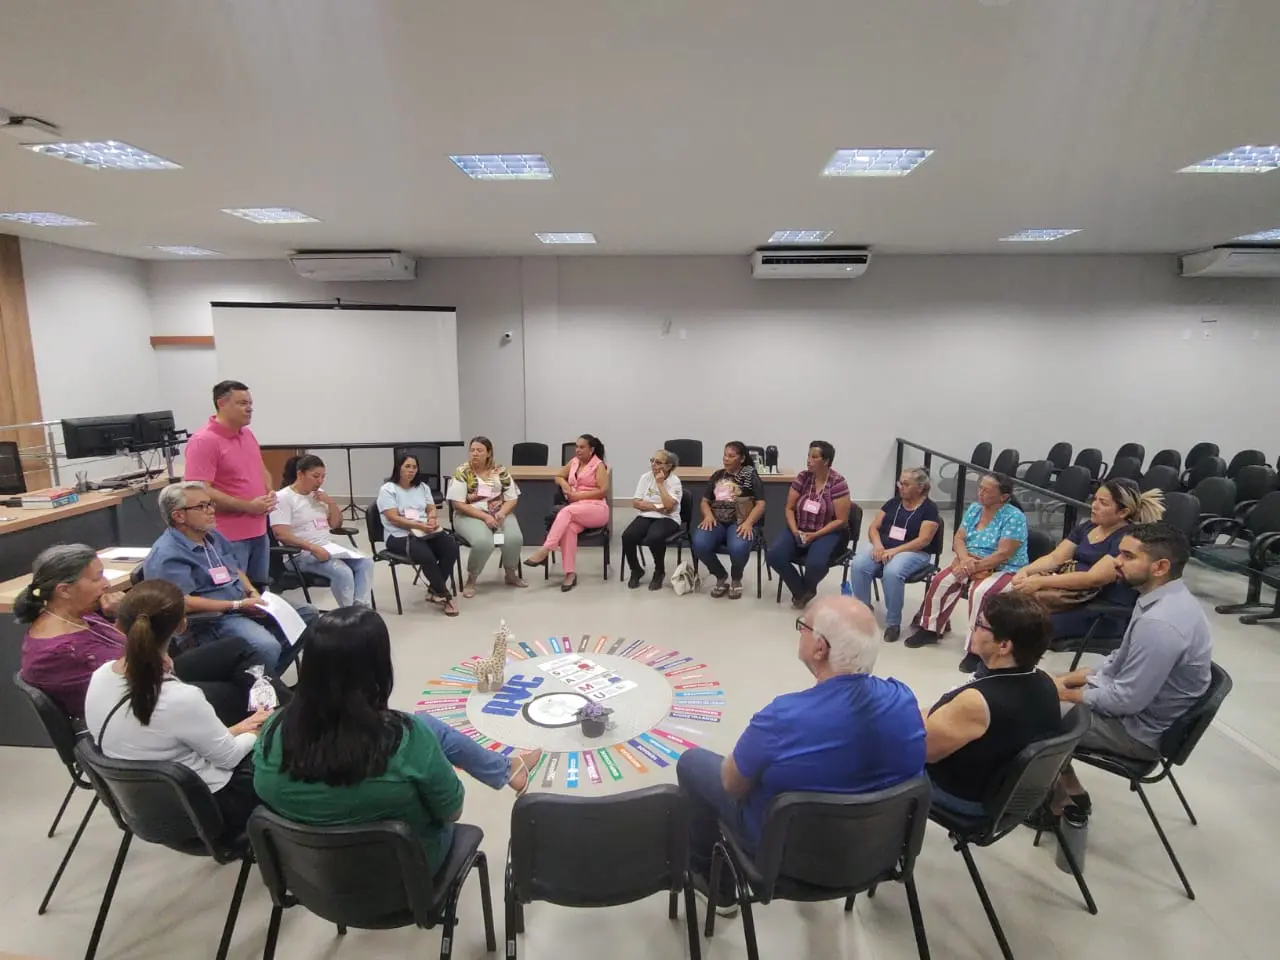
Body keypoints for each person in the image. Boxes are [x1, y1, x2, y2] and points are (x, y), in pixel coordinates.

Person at [676, 596, 925, 908]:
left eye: (803, 627)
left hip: (784, 861)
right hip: (877, 853)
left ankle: (715, 885)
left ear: (820, 648)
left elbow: (732, 786)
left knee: (692, 763)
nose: (799, 632)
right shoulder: (904, 699)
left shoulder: (782, 717)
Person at [253, 607, 542, 873]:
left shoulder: (270, 733)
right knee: (426, 728)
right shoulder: (408, 738)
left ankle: (508, 768)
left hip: (311, 875)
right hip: (405, 874)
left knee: (426, 726)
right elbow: (452, 811)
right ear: (377, 669)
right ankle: (507, 769)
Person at [84, 580, 271, 841]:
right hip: (210, 810)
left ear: (119, 625)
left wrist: (238, 729)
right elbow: (228, 759)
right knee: (281, 748)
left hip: (147, 808)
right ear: (182, 625)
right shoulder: (181, 697)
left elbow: (157, 738)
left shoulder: (100, 677)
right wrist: (262, 727)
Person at [1048, 523, 1212, 819]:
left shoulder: (1161, 624)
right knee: (1044, 687)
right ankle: (1070, 789)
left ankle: (1056, 804)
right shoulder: (1159, 598)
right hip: (1136, 712)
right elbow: (1117, 661)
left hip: (1137, 733)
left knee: (1030, 710)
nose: (1116, 562)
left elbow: (1125, 701)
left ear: (1160, 566)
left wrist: (1062, 694)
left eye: (1127, 556)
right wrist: (1067, 681)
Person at [17, 544, 271, 725]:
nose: (105, 585)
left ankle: (280, 712)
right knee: (239, 690)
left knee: (238, 648)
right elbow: (125, 686)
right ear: (64, 590)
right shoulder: (60, 651)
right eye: (96, 579)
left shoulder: (78, 616)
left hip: (151, 675)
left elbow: (119, 647)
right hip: (139, 707)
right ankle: (271, 723)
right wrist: (131, 615)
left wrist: (121, 618)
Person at [143, 482, 318, 670]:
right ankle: (257, 687)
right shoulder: (168, 554)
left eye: (211, 504)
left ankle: (261, 682)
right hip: (211, 619)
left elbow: (234, 570)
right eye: (202, 506)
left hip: (239, 604)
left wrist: (251, 592)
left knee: (307, 615)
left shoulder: (212, 536)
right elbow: (182, 602)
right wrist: (238, 605)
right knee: (266, 646)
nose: (211, 510)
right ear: (178, 516)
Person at [923, 592, 1061, 816]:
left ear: (1004, 645)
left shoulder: (977, 702)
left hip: (966, 798)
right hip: (1006, 794)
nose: (972, 629)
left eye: (980, 625)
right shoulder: (1045, 682)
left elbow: (921, 751)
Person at [905, 473, 1029, 674]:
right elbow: (959, 538)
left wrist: (973, 567)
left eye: (987, 490)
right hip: (969, 560)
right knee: (941, 580)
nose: (980, 493)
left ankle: (976, 649)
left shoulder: (1014, 516)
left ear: (1003, 496)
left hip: (1003, 568)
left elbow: (1004, 553)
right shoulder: (974, 509)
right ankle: (930, 629)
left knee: (980, 593)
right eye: (980, 488)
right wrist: (964, 561)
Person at [1011, 478, 1164, 641]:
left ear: (1123, 512)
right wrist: (1025, 571)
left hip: (1101, 609)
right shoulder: (1088, 527)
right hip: (1068, 596)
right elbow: (1055, 558)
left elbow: (1092, 578)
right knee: (1010, 612)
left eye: (1103, 503)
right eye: (1095, 499)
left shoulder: (1127, 538)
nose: (1094, 506)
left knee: (1025, 624)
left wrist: (1040, 582)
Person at [184, 380, 276, 588]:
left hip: (259, 530)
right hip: (227, 536)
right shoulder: (204, 441)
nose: (250, 408)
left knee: (260, 589)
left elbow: (260, 469)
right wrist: (247, 506)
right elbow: (199, 490)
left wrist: (269, 491)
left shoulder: (247, 434)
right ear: (222, 404)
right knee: (235, 591)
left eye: (250, 402)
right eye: (242, 402)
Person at [848, 467, 942, 642]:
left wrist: (894, 551)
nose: (901, 487)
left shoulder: (929, 509)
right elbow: (873, 527)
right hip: (884, 546)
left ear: (920, 487)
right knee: (859, 564)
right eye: (900, 483)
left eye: (906, 484)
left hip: (914, 551)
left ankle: (893, 623)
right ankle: (862, 612)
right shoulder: (893, 503)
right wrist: (877, 545)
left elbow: (923, 540)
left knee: (892, 572)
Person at [270, 454, 374, 607]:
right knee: (343, 572)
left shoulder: (318, 495)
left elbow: (336, 524)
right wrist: (312, 547)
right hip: (301, 553)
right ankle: (347, 615)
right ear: (300, 474)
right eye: (315, 476)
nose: (320, 481)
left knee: (365, 561)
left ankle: (361, 608)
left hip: (328, 546)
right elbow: (281, 534)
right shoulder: (283, 497)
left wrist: (330, 502)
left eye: (323, 477)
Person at [767, 441, 852, 608]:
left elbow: (841, 520)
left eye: (814, 457)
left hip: (826, 532)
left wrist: (815, 535)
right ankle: (803, 591)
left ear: (826, 461)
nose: (809, 460)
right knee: (774, 555)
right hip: (799, 527)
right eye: (808, 456)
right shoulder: (803, 477)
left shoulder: (838, 482)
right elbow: (789, 508)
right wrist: (795, 531)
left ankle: (805, 589)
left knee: (816, 564)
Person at [377, 450, 461, 616]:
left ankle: (434, 590)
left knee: (450, 547)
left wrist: (431, 519)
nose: (411, 470)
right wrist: (418, 525)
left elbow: (431, 508)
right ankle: (445, 596)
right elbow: (393, 518)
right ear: (398, 468)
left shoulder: (422, 487)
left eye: (414, 467)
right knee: (426, 555)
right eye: (407, 466)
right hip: (399, 535)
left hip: (425, 531)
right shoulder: (388, 489)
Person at [523, 434, 610, 592]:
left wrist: (578, 496)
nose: (577, 450)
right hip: (578, 510)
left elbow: (603, 491)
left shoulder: (599, 465)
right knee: (568, 528)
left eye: (582, 447)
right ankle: (569, 574)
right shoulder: (574, 462)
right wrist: (564, 483)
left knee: (566, 511)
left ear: (591, 450)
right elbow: (558, 475)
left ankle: (546, 549)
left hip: (596, 509)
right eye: (576, 446)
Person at [446, 437, 526, 597]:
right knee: (484, 542)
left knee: (514, 538)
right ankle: (472, 578)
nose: (474, 454)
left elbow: (512, 498)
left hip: (498, 513)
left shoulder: (500, 471)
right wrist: (484, 517)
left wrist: (502, 512)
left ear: (488, 453)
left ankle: (510, 573)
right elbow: (458, 504)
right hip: (469, 514)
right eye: (472, 450)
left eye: (479, 450)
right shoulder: (462, 472)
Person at [691, 442, 765, 600]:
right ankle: (720, 575)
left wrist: (749, 523)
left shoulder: (750, 475)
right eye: (725, 455)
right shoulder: (718, 476)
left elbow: (760, 504)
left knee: (738, 547)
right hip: (717, 520)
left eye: (731, 456)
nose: (726, 459)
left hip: (740, 521)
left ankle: (736, 578)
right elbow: (705, 501)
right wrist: (708, 516)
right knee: (699, 543)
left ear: (742, 458)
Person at [621, 449, 683, 591]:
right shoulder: (645, 477)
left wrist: (660, 484)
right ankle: (636, 570)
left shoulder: (674, 482)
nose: (653, 465)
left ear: (669, 466)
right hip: (646, 515)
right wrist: (657, 507)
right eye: (652, 461)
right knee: (628, 536)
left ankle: (659, 571)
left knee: (654, 537)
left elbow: (668, 508)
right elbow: (636, 502)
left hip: (669, 518)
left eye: (658, 462)